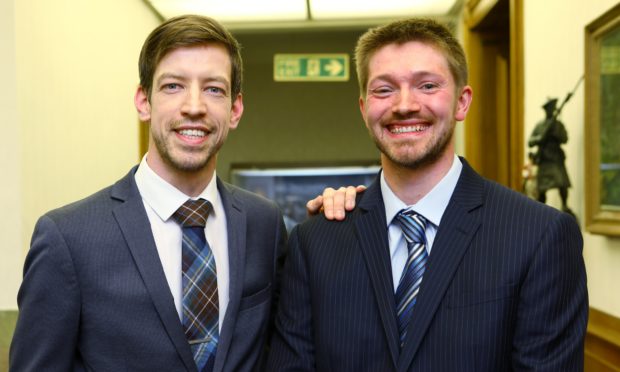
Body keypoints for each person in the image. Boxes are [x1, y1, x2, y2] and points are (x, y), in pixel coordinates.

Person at [268, 18, 587, 371]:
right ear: (364, 109)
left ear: (462, 103)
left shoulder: (539, 235)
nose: (404, 104)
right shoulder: (314, 243)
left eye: (427, 85)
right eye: (384, 89)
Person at [10, 15, 287, 372]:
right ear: (143, 102)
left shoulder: (265, 223)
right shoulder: (68, 238)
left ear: (235, 110)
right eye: (173, 86)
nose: (194, 106)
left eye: (214, 89)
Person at [528, 98, 575, 216]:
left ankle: (565, 205)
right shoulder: (540, 126)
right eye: (550, 108)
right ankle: (540, 209)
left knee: (562, 184)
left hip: (556, 159)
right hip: (544, 160)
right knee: (542, 188)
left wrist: (556, 133)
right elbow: (530, 141)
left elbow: (565, 139)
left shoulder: (557, 125)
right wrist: (538, 139)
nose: (552, 110)